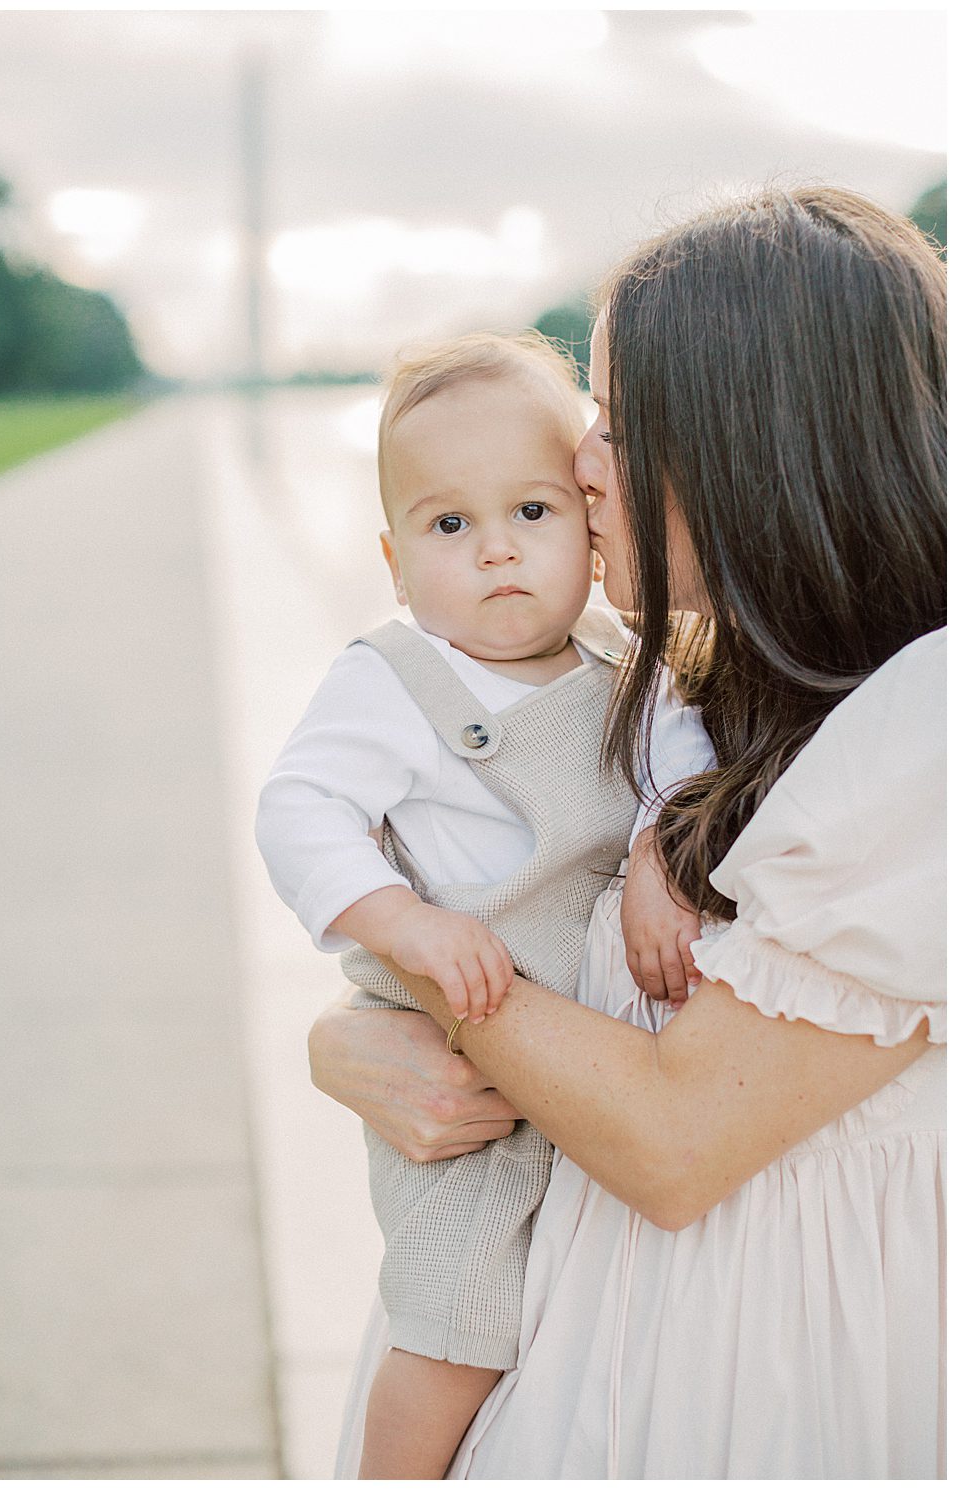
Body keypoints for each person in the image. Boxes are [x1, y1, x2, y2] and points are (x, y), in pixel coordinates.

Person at [310, 185, 946, 1479]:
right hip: (582, 1342)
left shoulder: (924, 732)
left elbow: (672, 1139)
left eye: (616, 413)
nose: (578, 460)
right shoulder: (689, 706)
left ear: (754, 439)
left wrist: (436, 988)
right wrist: (355, 1034)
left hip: (760, 1391)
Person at [255, 332, 715, 1478]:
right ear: (395, 558)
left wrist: (665, 843)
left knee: (568, 1309)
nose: (497, 551)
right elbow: (297, 809)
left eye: (533, 510)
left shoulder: (630, 665)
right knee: (458, 1323)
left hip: (593, 1058)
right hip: (464, 1066)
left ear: (588, 520)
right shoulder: (392, 680)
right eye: (449, 525)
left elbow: (692, 767)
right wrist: (401, 922)